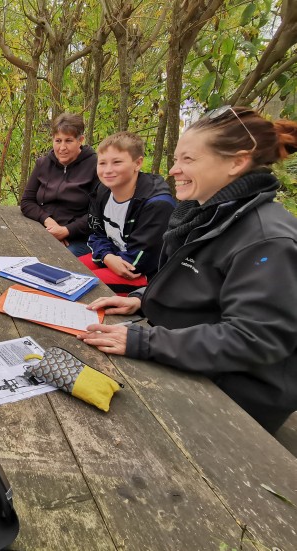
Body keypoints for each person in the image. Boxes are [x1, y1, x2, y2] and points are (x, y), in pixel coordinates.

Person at [78, 106, 297, 433]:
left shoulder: (268, 239)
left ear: (237, 162)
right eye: (177, 159)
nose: (174, 169)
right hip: (184, 354)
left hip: (234, 395)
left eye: (188, 160)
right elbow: (202, 288)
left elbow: (254, 338)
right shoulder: (204, 213)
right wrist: (142, 297)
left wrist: (146, 343)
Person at [79, 132, 175, 294]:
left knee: (77, 286)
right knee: (64, 269)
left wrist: (107, 258)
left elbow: (138, 264)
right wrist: (107, 256)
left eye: (117, 162)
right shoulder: (103, 191)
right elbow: (96, 233)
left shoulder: (157, 205)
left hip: (146, 275)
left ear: (137, 163)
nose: (108, 170)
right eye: (102, 163)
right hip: (112, 256)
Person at [21, 112, 99, 256]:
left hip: (78, 238)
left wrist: (66, 231)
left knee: (54, 259)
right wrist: (48, 222)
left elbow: (98, 213)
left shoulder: (96, 166)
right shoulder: (43, 164)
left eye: (68, 141)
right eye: (58, 141)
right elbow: (26, 202)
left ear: (80, 140)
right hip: (43, 230)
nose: (62, 147)